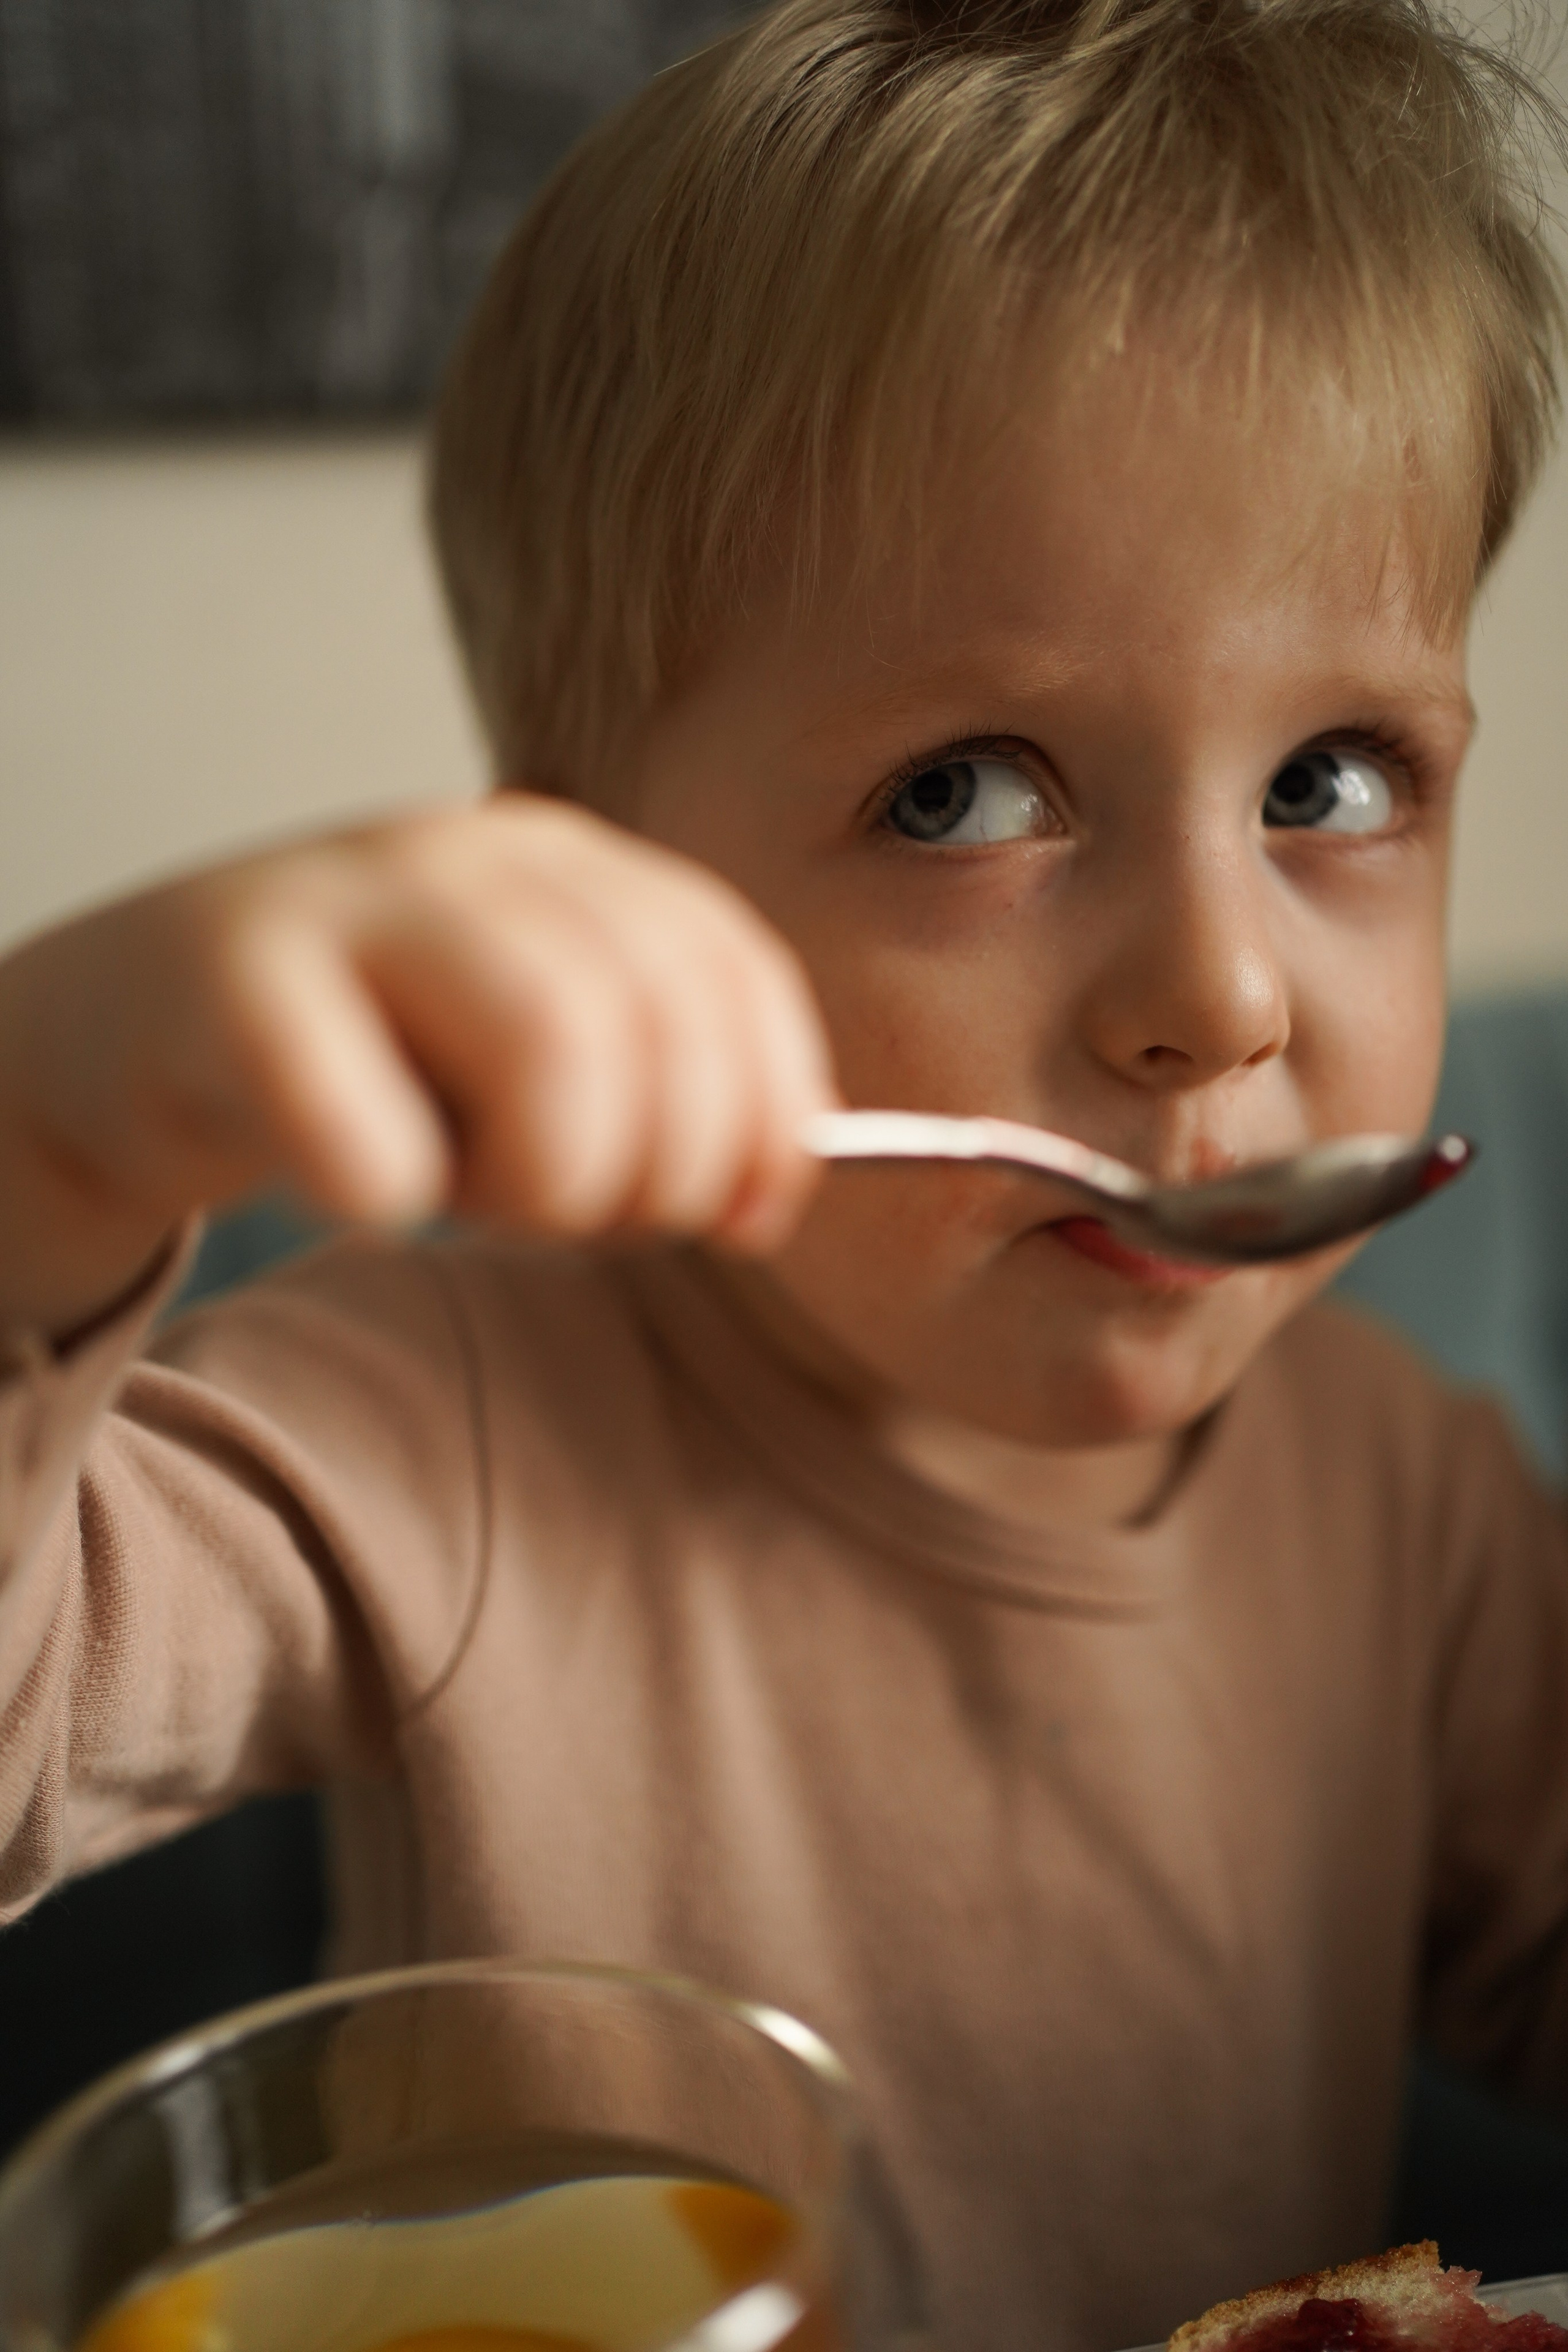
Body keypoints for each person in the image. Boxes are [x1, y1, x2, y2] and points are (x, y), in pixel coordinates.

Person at [1, 2, 1565, 2346]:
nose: (1223, 997)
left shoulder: (1417, 1512)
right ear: (595, 888)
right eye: (963, 793)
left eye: (1333, 779)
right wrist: (50, 1122)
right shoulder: (445, 1420)